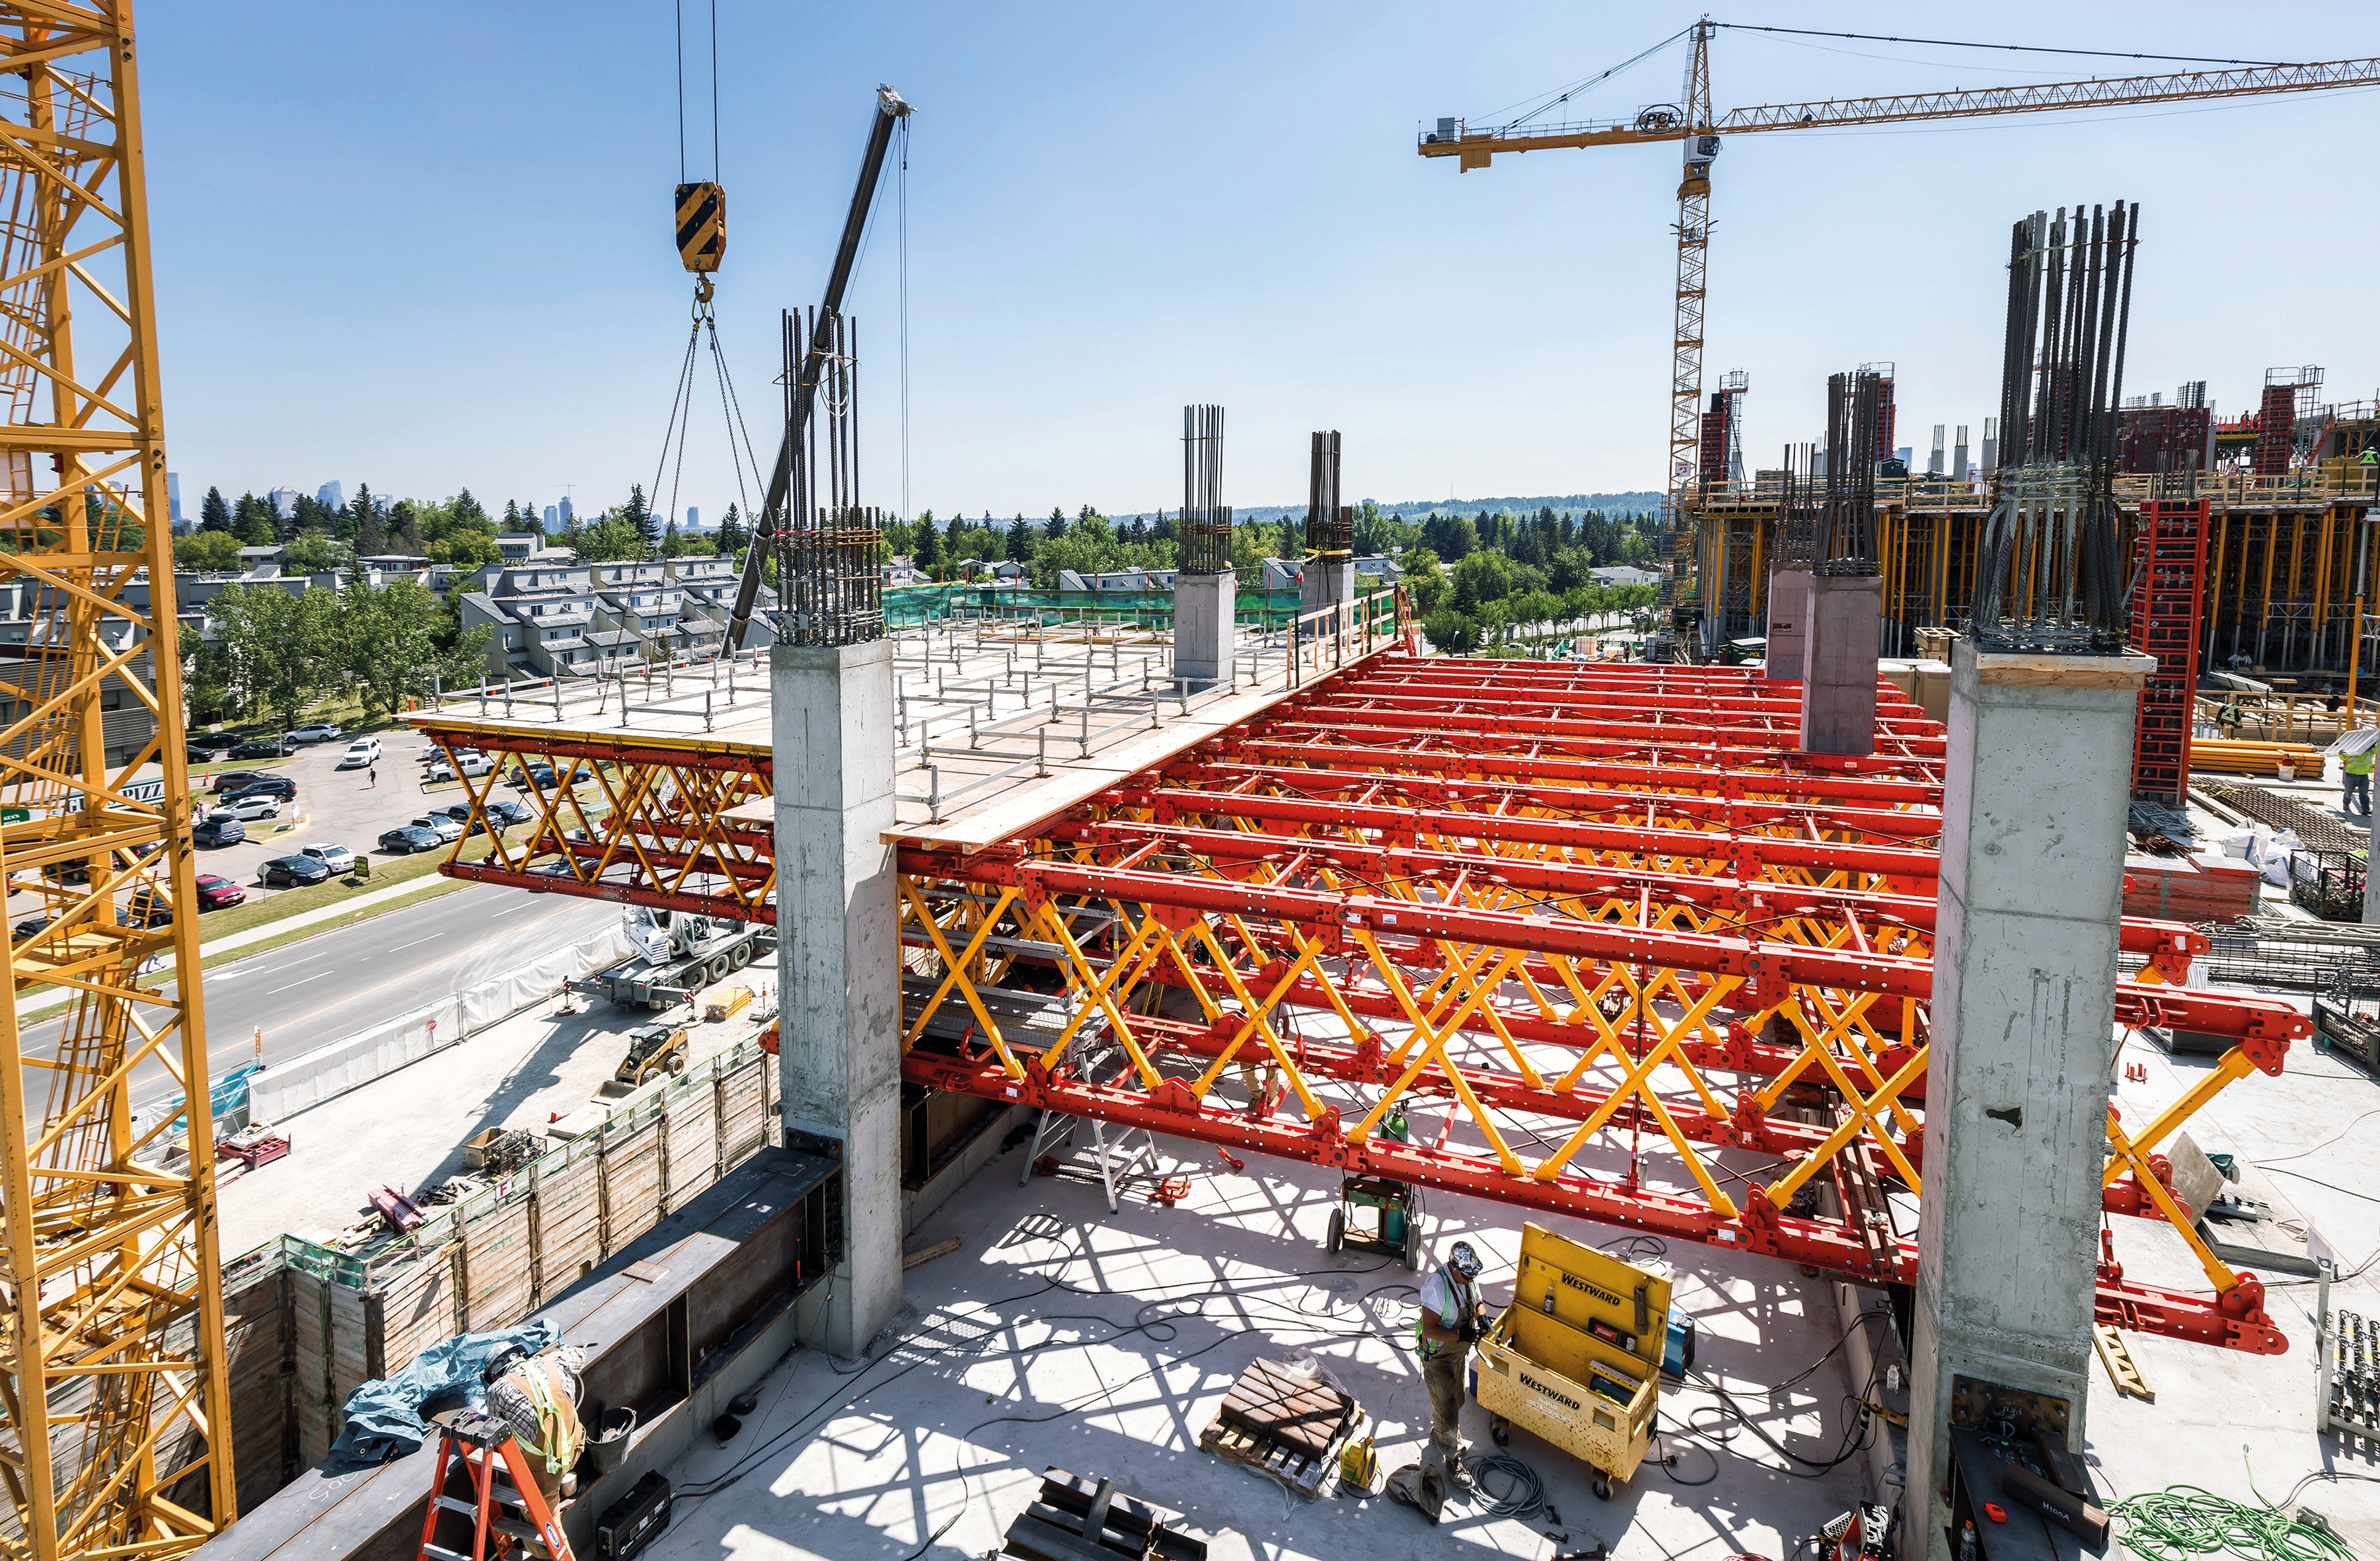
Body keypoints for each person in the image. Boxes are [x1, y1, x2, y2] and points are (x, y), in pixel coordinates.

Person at [1413, 1240, 1489, 1488]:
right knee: (1447, 1409)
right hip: (1438, 1359)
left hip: (1458, 1355)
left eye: (1474, 1274)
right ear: (1454, 1269)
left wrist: (1482, 1316)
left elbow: (1477, 1300)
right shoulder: (1436, 1288)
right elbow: (1430, 1329)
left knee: (1458, 1401)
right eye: (1468, 1275)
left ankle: (1439, 1433)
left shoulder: (1468, 1278)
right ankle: (1452, 1459)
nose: (1472, 1278)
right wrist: (1460, 1336)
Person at [482, 1342, 587, 1513]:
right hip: (575, 1447)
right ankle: (563, 1479)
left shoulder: (497, 1390)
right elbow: (580, 1354)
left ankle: (551, 1516)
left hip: (545, 1471)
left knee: (539, 1522)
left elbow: (492, 1425)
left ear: (494, 1375)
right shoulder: (552, 1361)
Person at [2344, 739, 2375, 817]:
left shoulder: (2370, 752)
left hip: (2363, 775)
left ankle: (2366, 809)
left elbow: (2377, 746)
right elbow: (2343, 756)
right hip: (2351, 775)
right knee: (2348, 791)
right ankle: (2346, 804)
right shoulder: (2353, 752)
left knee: (2364, 793)